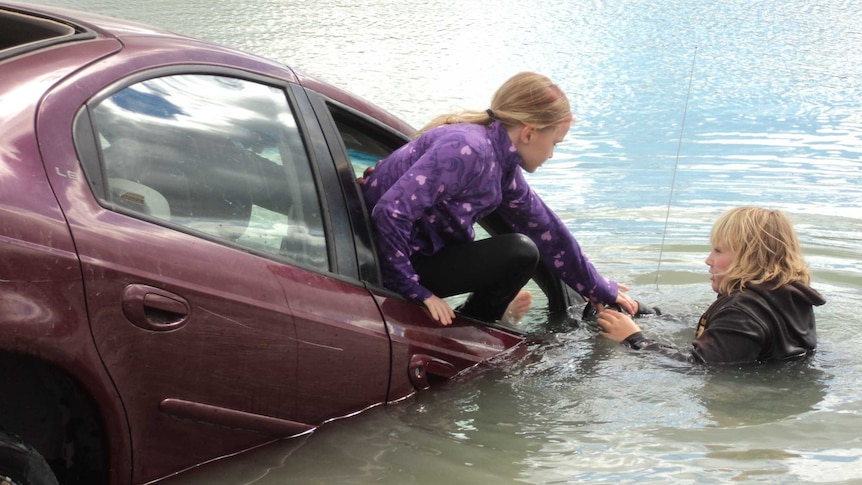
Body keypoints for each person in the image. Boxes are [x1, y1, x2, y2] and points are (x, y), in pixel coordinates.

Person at [360, 72, 637, 326]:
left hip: (411, 254)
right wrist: (414, 290)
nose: (551, 154)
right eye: (554, 143)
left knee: (524, 248)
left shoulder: (499, 164)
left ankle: (491, 320)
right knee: (520, 252)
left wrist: (597, 288)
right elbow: (390, 212)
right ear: (529, 133)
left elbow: (546, 229)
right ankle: (474, 328)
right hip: (385, 260)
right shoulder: (469, 149)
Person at [597, 206, 826, 365]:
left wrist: (635, 340)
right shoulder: (784, 295)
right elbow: (715, 331)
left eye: (718, 250)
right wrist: (645, 312)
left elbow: (698, 367)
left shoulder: (741, 311)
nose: (708, 260)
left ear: (749, 257)